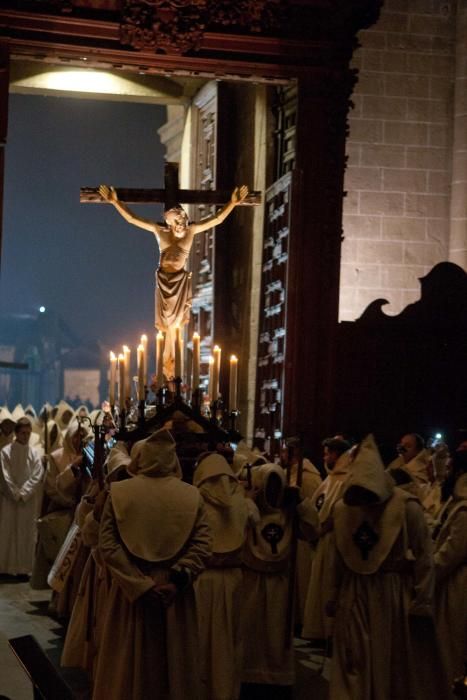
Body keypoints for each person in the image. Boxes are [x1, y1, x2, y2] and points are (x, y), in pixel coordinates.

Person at [92, 428, 212, 700]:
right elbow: (203, 545)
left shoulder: (119, 493)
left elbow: (108, 546)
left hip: (130, 594)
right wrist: (177, 580)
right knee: (174, 666)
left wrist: (139, 586)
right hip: (174, 595)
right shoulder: (192, 495)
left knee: (126, 665)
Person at [327, 434, 447, 700]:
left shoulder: (406, 507)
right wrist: (333, 595)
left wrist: (422, 599)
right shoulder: (344, 508)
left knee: (388, 660)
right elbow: (339, 557)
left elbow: (424, 556)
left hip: (392, 595)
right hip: (354, 593)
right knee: (353, 660)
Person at [98, 183, 249, 378]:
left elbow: (217, 219)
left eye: (184, 218)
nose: (182, 222)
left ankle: (171, 367)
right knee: (167, 325)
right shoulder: (159, 232)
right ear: (169, 222)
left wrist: (233, 203)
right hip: (164, 283)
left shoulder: (191, 231)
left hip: (178, 285)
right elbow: (132, 219)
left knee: (175, 326)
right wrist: (114, 201)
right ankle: (168, 367)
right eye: (178, 220)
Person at [241, 462, 318, 694]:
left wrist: (302, 505)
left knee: (276, 635)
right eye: (268, 486)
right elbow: (234, 532)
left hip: (280, 585)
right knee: (251, 632)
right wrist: (247, 502)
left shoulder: (289, 513)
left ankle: (277, 678)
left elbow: (314, 531)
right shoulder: (250, 510)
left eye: (277, 486)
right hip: (251, 582)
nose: (272, 492)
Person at [193, 452, 254, 700]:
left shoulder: (194, 501)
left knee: (202, 641)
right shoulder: (243, 502)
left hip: (203, 580)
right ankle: (226, 690)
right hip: (234, 580)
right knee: (229, 642)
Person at [301, 436, 351, 648]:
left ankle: (330, 632)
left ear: (338, 455)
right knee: (319, 583)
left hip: (334, 540)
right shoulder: (330, 479)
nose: (325, 457)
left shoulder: (346, 479)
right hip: (321, 539)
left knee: (329, 584)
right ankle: (318, 630)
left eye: (328, 453)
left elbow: (338, 512)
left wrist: (321, 528)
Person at [433, 449, 467, 686]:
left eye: (449, 468)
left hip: (459, 584)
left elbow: (452, 552)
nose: (445, 474)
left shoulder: (464, 509)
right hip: (449, 581)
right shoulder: (456, 503)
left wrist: (426, 573)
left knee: (453, 643)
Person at [0, 417, 44, 575]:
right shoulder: (5, 452)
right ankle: (6, 568)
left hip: (27, 501)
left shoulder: (34, 453)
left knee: (26, 532)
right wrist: (15, 493)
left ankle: (24, 569)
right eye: (23, 433)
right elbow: (5, 476)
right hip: (9, 501)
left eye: (28, 433)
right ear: (16, 433)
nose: (26, 436)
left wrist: (23, 493)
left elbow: (37, 475)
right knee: (8, 531)